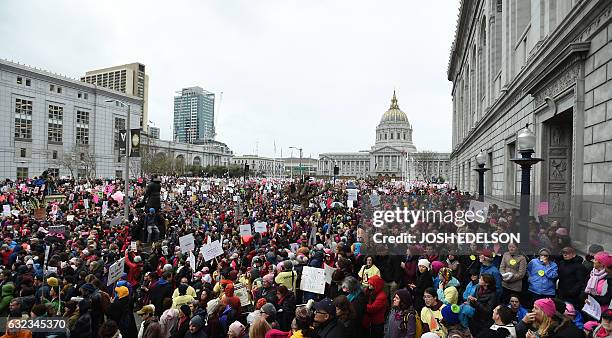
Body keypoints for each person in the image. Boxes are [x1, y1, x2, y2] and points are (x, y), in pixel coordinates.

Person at [517, 298, 584, 338]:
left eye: (536, 308)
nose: (532, 310)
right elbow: (515, 334)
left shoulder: (557, 330)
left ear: (545, 313)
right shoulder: (532, 322)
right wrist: (523, 322)